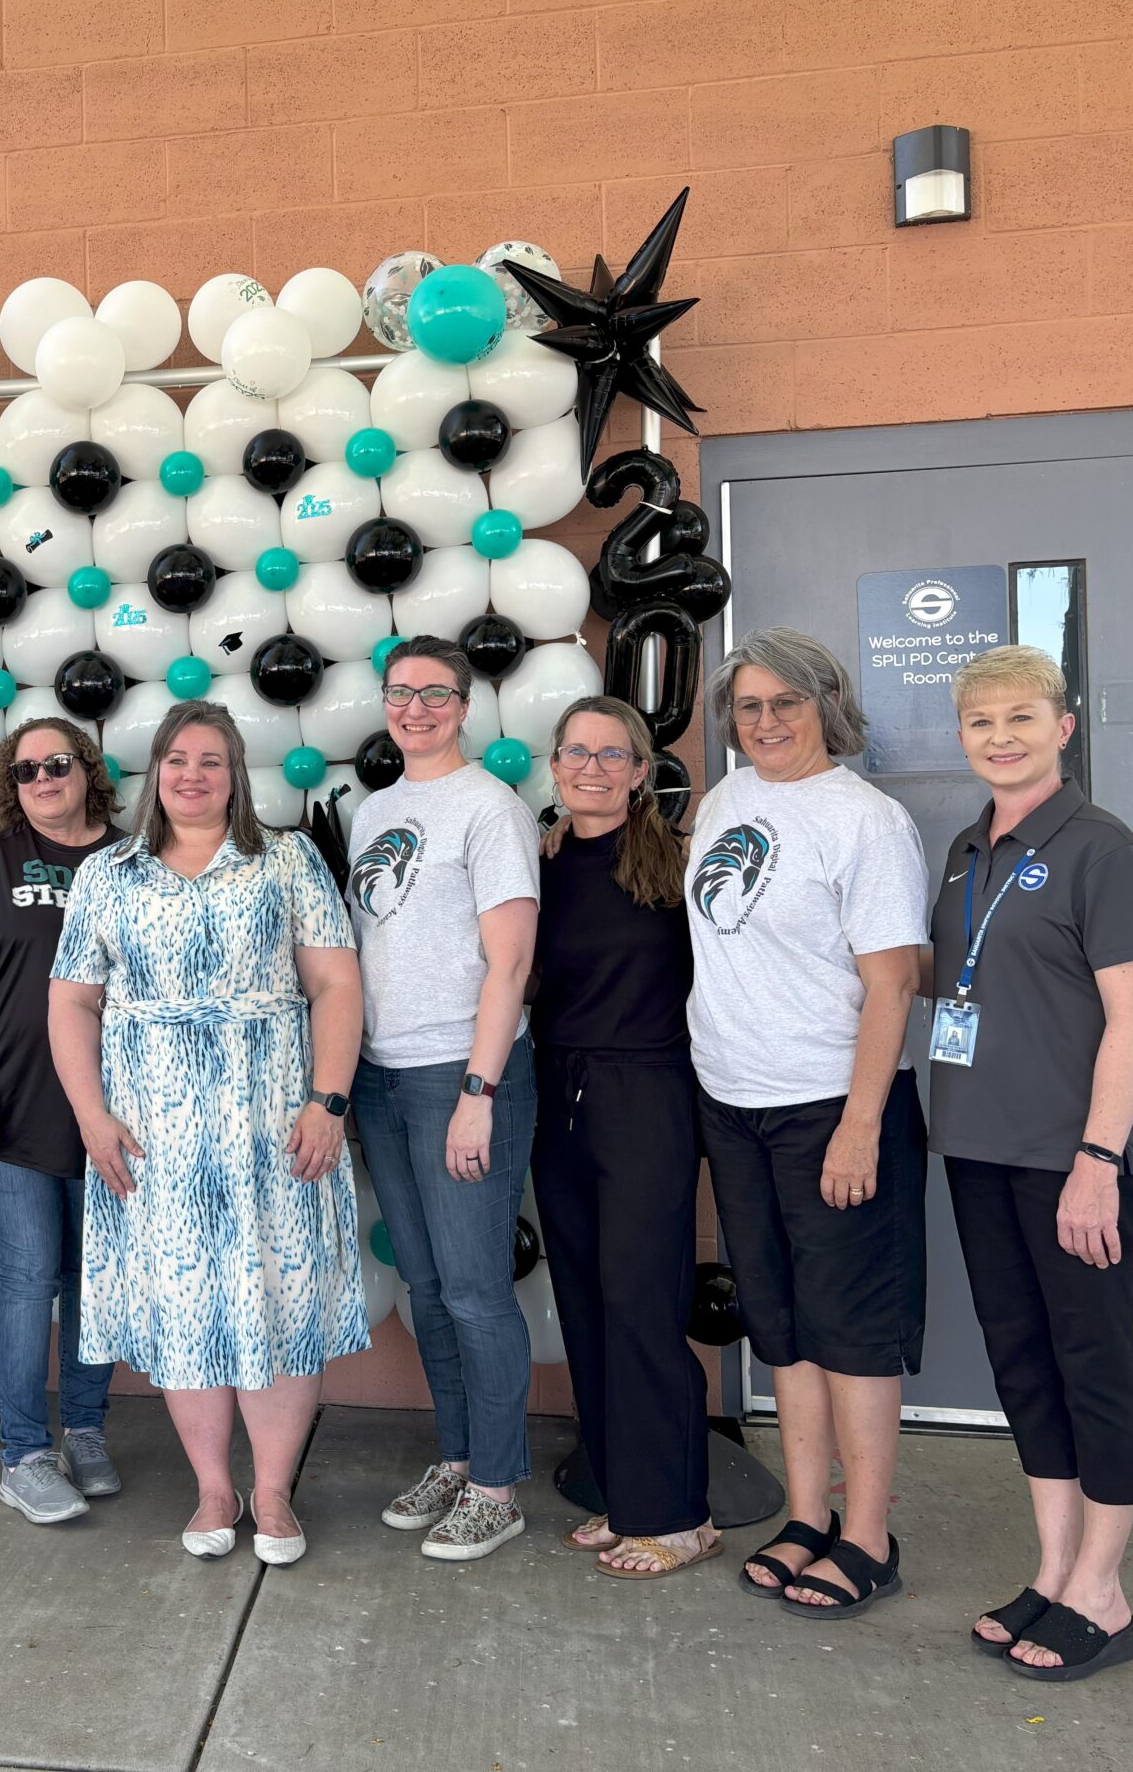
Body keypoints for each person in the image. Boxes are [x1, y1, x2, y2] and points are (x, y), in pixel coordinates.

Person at [49, 701, 367, 1566]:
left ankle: (274, 1490)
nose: (192, 775)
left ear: (237, 777)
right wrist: (91, 1116)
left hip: (276, 1124)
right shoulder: (108, 873)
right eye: (177, 759)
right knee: (184, 1305)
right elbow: (72, 1001)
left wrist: (328, 1101)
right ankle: (214, 1489)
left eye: (211, 761)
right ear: (155, 771)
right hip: (154, 1132)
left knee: (281, 1299)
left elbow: (336, 985)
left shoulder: (287, 859)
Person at [929, 647, 1133, 1683]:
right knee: (1023, 1366)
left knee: (1095, 1367)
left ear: (1063, 727)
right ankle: (1056, 1569)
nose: (1001, 737)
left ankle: (1104, 1593)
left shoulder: (1101, 849)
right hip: (979, 1151)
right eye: (981, 721)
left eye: (1021, 717)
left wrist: (1096, 1160)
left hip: (1074, 1163)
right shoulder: (964, 849)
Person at [688, 628, 928, 1620]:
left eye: (786, 702)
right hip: (732, 1102)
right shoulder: (723, 802)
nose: (766, 721)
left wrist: (861, 1125)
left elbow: (893, 983)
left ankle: (866, 1536)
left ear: (826, 705)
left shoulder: (866, 821)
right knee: (781, 1326)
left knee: (850, 1331)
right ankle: (804, 1515)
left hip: (831, 1105)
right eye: (748, 706)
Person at [343, 639, 540, 1564]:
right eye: (400, 692)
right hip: (382, 1075)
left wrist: (478, 1092)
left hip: (459, 1073)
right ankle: (458, 1458)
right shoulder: (374, 811)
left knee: (473, 1290)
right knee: (426, 1286)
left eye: (434, 694)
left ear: (464, 706)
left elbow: (511, 963)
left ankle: (498, 1487)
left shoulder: (490, 809)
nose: (414, 709)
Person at [534, 696, 720, 1579]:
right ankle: (624, 1493)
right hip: (558, 1092)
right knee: (585, 1300)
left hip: (647, 1093)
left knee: (642, 1300)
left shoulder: (678, 863)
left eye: (613, 755)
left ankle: (680, 1515)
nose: (593, 768)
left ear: (642, 772)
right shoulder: (538, 863)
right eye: (577, 752)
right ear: (555, 766)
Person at [0, 718, 125, 1525]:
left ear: (87, 771)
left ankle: (85, 1428)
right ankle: (24, 1454)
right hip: (13, 1104)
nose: (43, 780)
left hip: (114, 1111)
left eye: (57, 764)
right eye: (26, 770)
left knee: (94, 1277)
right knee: (31, 1274)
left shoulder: (132, 861)